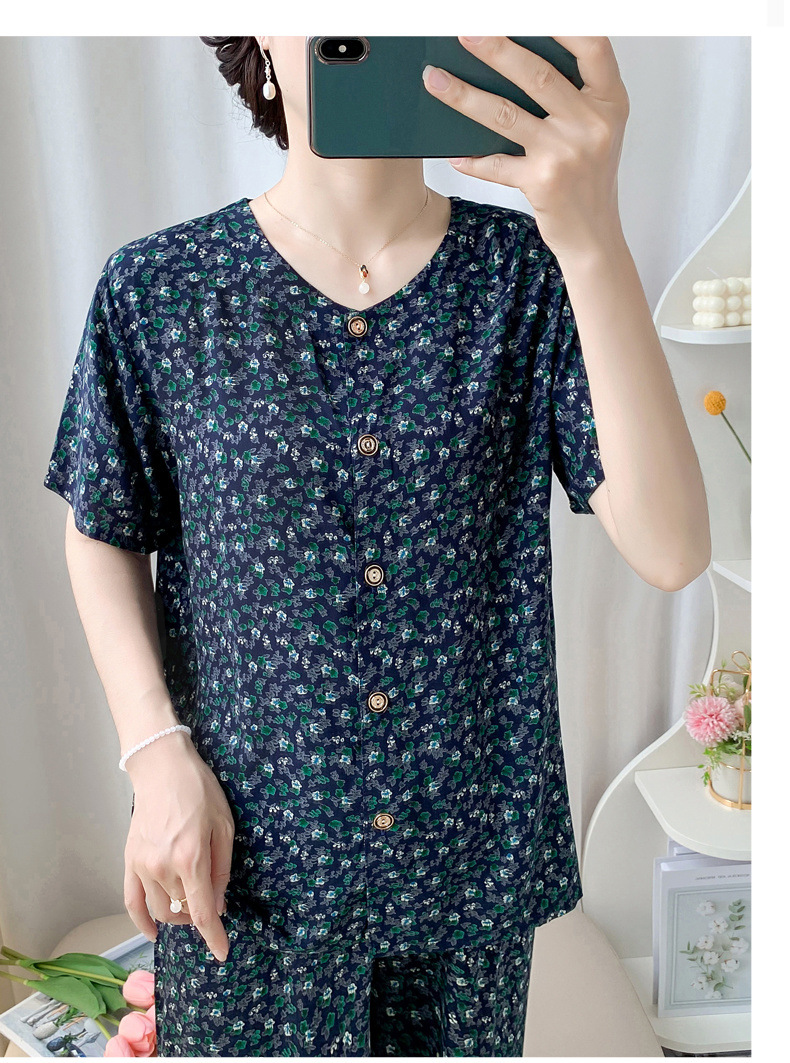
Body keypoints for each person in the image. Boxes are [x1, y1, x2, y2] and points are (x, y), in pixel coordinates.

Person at [42, 35, 710, 1058]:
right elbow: (102, 527)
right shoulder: (160, 289)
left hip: (463, 875)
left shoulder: (526, 277)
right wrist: (154, 751)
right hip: (242, 865)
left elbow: (672, 548)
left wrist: (589, 234)